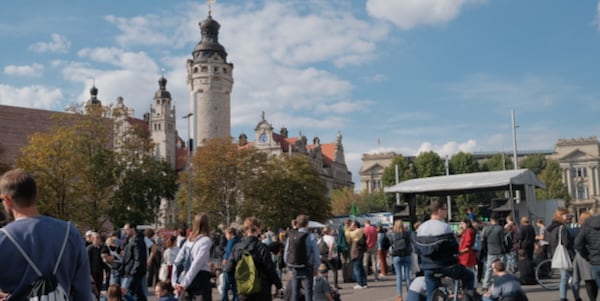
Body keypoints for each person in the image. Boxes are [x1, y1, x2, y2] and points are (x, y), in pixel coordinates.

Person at [0, 168, 92, 301]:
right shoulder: (69, 232)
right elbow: (82, 290)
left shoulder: (3, 238)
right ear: (36, 195)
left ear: (7, 200)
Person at [414, 197, 475, 301]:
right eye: (446, 209)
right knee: (469, 276)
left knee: (431, 292)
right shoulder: (445, 227)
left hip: (428, 267)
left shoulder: (421, 228)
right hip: (446, 266)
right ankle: (466, 298)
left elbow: (417, 248)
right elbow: (453, 248)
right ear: (439, 210)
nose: (447, 212)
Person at [224, 217, 283, 301]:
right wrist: (278, 285)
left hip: (244, 288)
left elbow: (229, 268)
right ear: (256, 229)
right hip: (261, 289)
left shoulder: (237, 247)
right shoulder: (262, 247)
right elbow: (270, 269)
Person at [173, 213, 213, 301]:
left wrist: (175, 282)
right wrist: (184, 284)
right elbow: (197, 263)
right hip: (200, 278)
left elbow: (177, 261)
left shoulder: (189, 240)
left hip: (186, 275)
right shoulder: (206, 240)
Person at [284, 214, 320, 301]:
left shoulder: (291, 236)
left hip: (295, 266)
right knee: (308, 291)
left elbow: (286, 253)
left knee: (295, 292)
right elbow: (316, 254)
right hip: (307, 266)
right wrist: (316, 268)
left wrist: (289, 265)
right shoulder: (310, 236)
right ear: (307, 224)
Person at [547, 207, 580, 301]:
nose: (568, 216)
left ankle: (563, 297)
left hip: (557, 254)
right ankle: (576, 297)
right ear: (560, 216)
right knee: (574, 278)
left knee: (564, 277)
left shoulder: (552, 227)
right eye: (566, 215)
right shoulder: (562, 227)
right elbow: (566, 243)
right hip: (566, 255)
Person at [573, 211, 598, 301]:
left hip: (582, 256)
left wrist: (583, 253)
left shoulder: (578, 229)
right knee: (593, 279)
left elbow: (577, 243)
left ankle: (591, 299)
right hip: (591, 255)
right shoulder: (592, 228)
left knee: (588, 280)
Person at [121, 222, 148, 301]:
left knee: (125, 293)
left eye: (126, 230)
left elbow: (138, 259)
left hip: (132, 273)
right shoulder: (131, 240)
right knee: (138, 295)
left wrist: (132, 273)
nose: (125, 232)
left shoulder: (137, 241)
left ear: (133, 229)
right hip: (132, 272)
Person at [481, 213, 507, 291]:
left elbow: (483, 240)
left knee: (489, 268)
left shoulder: (486, 228)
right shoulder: (500, 228)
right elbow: (503, 241)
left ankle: (485, 285)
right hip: (500, 251)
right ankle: (503, 282)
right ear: (497, 220)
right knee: (502, 268)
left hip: (490, 251)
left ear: (491, 220)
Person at [390, 219, 412, 301]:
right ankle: (410, 295)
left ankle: (399, 296)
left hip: (396, 256)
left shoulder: (392, 234)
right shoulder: (407, 233)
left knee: (398, 276)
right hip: (406, 255)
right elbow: (410, 243)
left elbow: (391, 244)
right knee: (407, 276)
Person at [347, 220, 368, 289]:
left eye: (352, 225)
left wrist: (348, 229)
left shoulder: (357, 232)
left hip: (357, 252)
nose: (351, 226)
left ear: (355, 226)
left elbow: (347, 234)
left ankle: (359, 283)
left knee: (357, 268)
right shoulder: (361, 232)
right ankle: (364, 283)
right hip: (359, 251)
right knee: (360, 267)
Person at [458, 218, 478, 289]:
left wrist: (461, 251)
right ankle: (472, 284)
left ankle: (472, 285)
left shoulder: (468, 231)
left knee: (469, 270)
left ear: (467, 224)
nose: (461, 226)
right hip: (466, 253)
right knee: (470, 269)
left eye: (462, 224)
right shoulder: (467, 231)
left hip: (466, 253)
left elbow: (468, 242)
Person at [221, 227, 240, 301]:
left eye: (226, 234)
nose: (226, 236)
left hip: (229, 265)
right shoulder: (238, 240)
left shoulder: (231, 242)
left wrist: (225, 259)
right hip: (236, 266)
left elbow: (228, 253)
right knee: (235, 287)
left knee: (225, 286)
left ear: (231, 234)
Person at [88, 232, 106, 299]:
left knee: (99, 289)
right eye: (97, 238)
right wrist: (89, 274)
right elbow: (87, 262)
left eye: (99, 237)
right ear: (93, 239)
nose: (99, 239)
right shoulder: (90, 248)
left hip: (100, 272)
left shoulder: (102, 248)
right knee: (93, 290)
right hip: (93, 272)